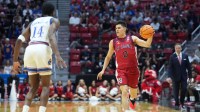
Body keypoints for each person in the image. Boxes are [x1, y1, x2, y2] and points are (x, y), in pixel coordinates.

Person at [12, 2, 66, 112]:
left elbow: (19, 40)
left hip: (30, 49)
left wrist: (15, 61)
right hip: (43, 48)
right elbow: (51, 35)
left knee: (33, 87)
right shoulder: (54, 20)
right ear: (53, 12)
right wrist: (58, 55)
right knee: (45, 86)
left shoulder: (33, 22)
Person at [97, 21, 153, 112]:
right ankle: (126, 110)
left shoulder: (132, 39)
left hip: (134, 70)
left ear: (125, 29)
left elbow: (147, 44)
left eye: (119, 28)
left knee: (133, 94)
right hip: (121, 70)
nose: (117, 30)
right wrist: (103, 70)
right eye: (116, 28)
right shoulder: (113, 42)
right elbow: (108, 57)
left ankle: (132, 102)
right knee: (125, 90)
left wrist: (150, 35)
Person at [168, 43, 192, 110]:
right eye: (176, 48)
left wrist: (190, 77)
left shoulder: (185, 56)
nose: (178, 49)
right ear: (175, 49)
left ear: (181, 48)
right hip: (175, 77)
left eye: (179, 48)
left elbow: (189, 67)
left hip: (184, 76)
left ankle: (182, 102)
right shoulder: (172, 57)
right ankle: (177, 104)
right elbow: (170, 68)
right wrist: (169, 76)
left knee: (184, 89)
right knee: (176, 91)